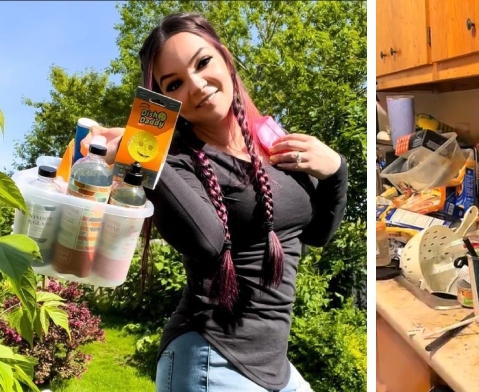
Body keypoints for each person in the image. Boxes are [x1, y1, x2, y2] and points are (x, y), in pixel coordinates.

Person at [82, 12, 348, 392]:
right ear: (165, 99)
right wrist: (140, 152)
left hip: (276, 366)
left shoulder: (270, 141)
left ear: (225, 57)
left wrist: (337, 169)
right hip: (212, 361)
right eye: (174, 83)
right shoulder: (177, 161)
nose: (197, 85)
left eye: (202, 62)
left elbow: (316, 234)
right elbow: (208, 242)